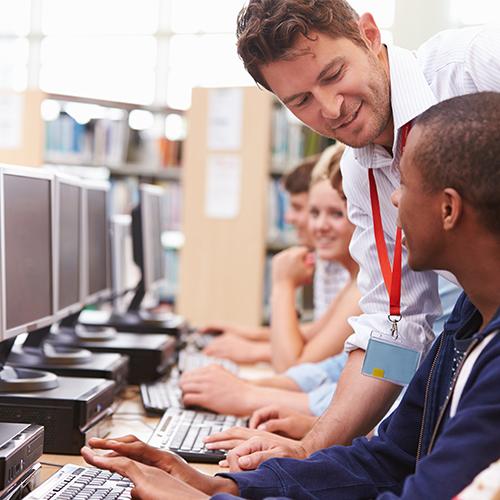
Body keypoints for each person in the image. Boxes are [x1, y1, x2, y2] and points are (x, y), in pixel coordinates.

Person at [82, 91, 500, 500]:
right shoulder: (466, 319)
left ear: (448, 209)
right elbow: (386, 460)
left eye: (404, 184)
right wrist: (226, 486)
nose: (391, 200)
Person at [202, 0, 500, 468]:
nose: (331, 110)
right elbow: (399, 331)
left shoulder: (475, 65)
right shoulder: (360, 174)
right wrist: (311, 448)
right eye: (300, 101)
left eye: (333, 74)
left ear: (370, 34)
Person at [179, 144, 360, 416]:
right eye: (313, 212)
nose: (318, 225)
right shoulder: (360, 281)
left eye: (336, 213)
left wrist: (282, 286)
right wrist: (245, 377)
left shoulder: (366, 288)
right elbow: (318, 346)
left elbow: (292, 363)